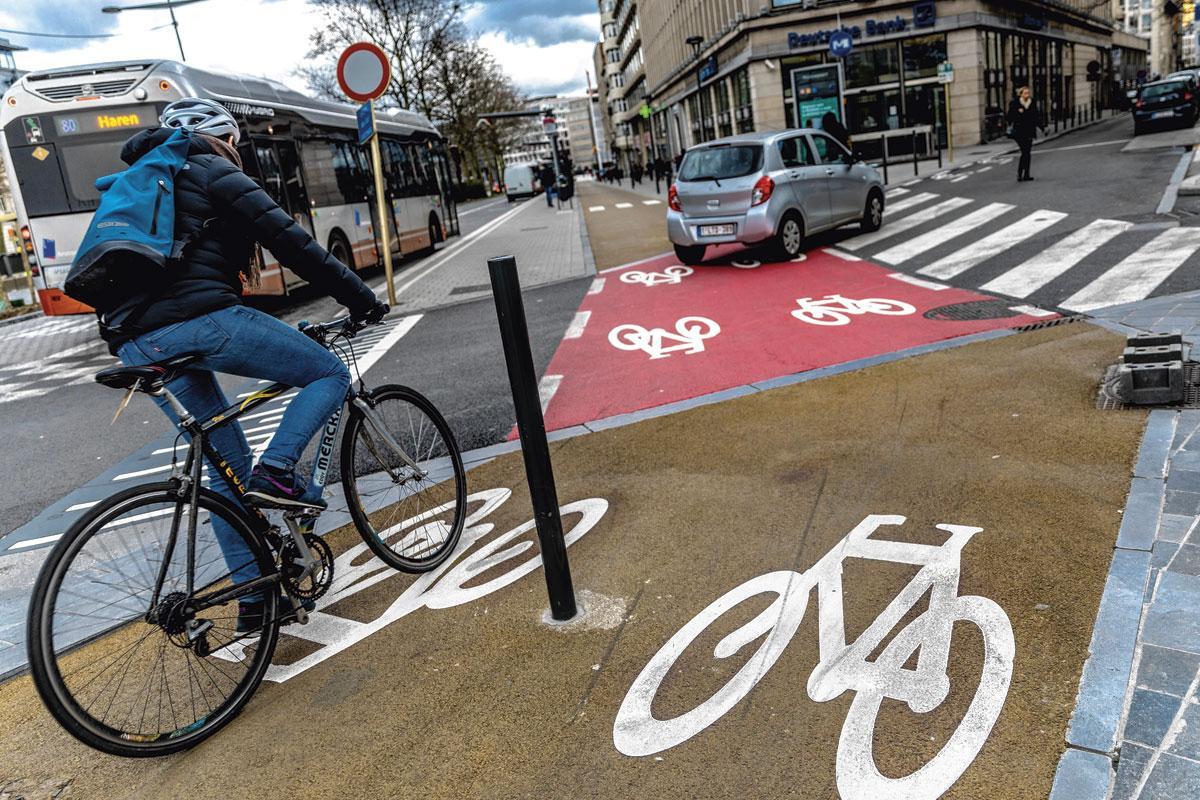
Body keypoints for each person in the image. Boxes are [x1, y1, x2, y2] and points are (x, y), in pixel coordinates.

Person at [104, 98, 386, 625]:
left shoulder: (142, 180)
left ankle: (258, 601)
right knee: (327, 370)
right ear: (226, 140)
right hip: (199, 321)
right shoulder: (212, 168)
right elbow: (295, 244)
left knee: (228, 475)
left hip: (134, 340)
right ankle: (278, 472)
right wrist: (362, 300)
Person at [1007, 85, 1046, 182]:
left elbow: (1036, 117)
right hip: (1019, 132)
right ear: (1020, 94)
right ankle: (1020, 174)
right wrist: (1018, 113)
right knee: (1025, 152)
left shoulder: (1032, 103)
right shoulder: (1015, 103)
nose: (1027, 95)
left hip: (1029, 131)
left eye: (1028, 93)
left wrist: (1042, 128)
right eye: (1025, 93)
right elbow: (1009, 117)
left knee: (1027, 153)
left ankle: (1026, 174)